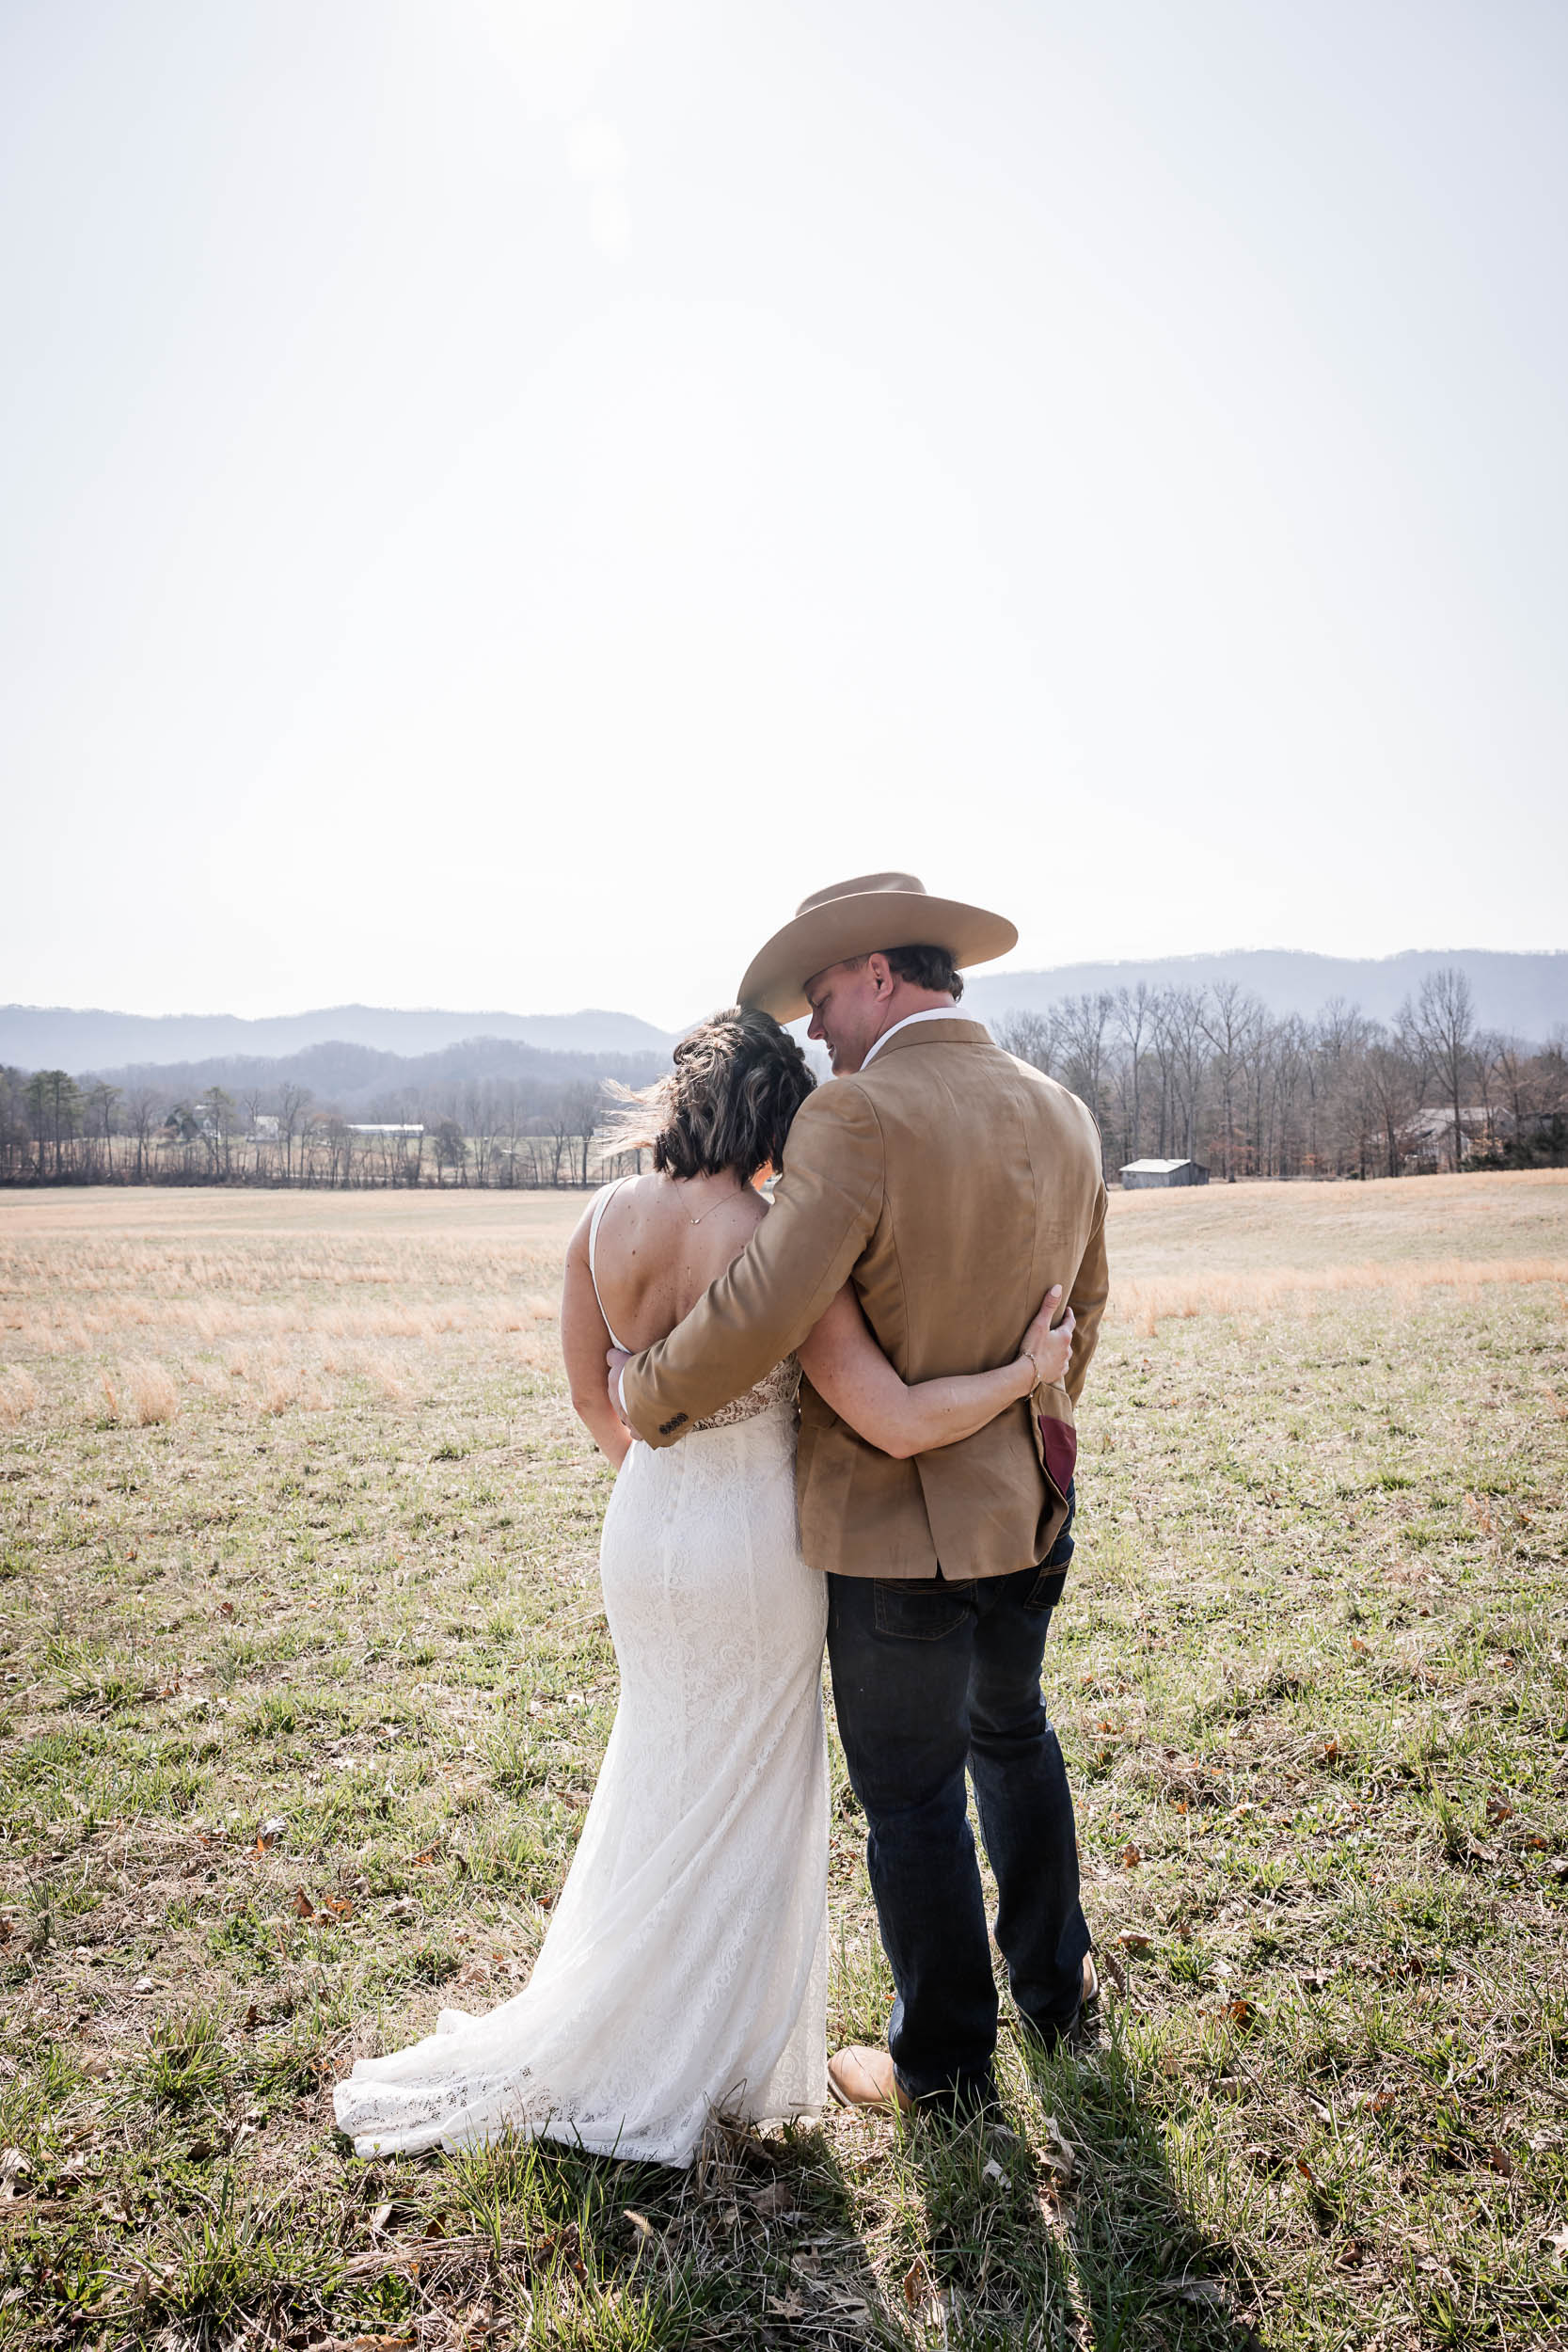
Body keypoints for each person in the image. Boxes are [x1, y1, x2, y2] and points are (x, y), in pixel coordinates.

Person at [331, 1001, 1071, 2165]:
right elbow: (885, 1411)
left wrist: (667, 1482)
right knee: (748, 1787)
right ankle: (709, 2056)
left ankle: (624, 2015)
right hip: (754, 1546)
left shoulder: (600, 1219)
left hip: (645, 1530)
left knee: (661, 1763)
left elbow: (595, 1398)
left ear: (681, 1099)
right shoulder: (775, 1239)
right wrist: (1023, 1374)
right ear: (780, 1120)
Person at [614, 873, 1108, 2121]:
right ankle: (1056, 2000)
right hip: (1031, 1504)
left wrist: (651, 1393)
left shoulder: (855, 1118)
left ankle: (940, 2068)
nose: (815, 1028)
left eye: (823, 995)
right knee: (1015, 1737)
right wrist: (1028, 1431)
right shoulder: (1063, 1112)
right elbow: (1082, 1309)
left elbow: (765, 1304)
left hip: (895, 1535)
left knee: (907, 1799)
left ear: (880, 974)